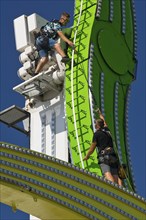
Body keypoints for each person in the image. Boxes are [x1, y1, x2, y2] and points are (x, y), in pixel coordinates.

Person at [83, 109, 122, 186]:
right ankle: (121, 189)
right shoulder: (107, 131)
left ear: (97, 126)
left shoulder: (97, 134)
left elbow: (92, 148)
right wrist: (100, 114)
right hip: (112, 154)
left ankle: (113, 188)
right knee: (115, 175)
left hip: (104, 155)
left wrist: (87, 156)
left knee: (107, 172)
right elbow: (104, 122)